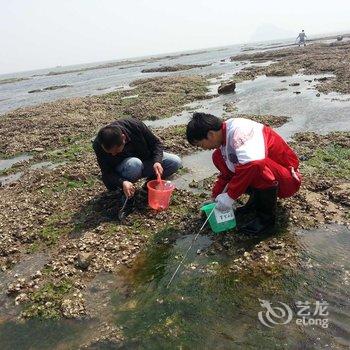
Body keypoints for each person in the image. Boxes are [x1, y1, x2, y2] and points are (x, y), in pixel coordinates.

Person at [186, 113, 301, 235]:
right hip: (270, 174)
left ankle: (265, 220)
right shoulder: (223, 143)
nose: (203, 148)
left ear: (210, 135)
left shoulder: (240, 131)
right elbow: (226, 176)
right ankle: (254, 204)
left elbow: (254, 163)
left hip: (287, 179)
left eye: (201, 145)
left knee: (253, 166)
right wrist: (215, 197)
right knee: (220, 158)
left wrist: (230, 196)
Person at [93, 117, 182, 211]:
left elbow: (156, 144)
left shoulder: (135, 126)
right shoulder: (99, 144)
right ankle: (126, 192)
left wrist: (157, 161)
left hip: (144, 160)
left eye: (115, 151)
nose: (113, 154)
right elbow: (107, 174)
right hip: (124, 170)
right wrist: (122, 182)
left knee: (175, 162)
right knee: (134, 164)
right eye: (109, 153)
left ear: (123, 138)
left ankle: (149, 186)